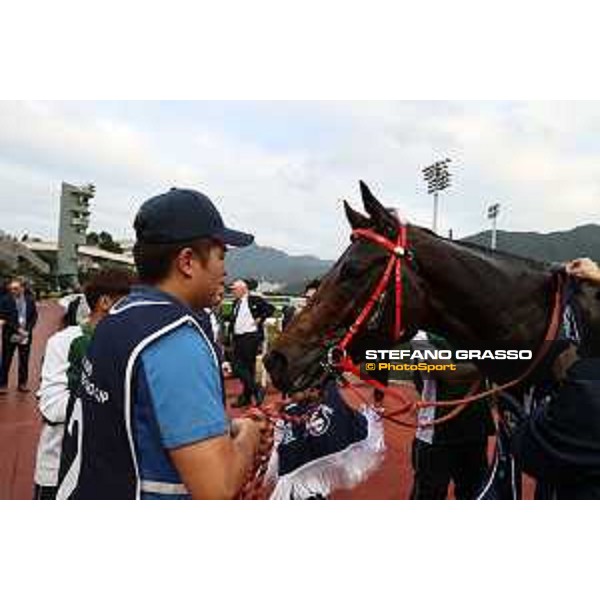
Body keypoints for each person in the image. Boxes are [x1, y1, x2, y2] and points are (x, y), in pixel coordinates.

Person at [57, 187, 265, 499]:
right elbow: (217, 489)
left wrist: (218, 432)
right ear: (188, 262)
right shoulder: (176, 341)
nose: (225, 271)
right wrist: (248, 436)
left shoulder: (115, 318)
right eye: (221, 256)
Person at [33, 269, 133, 499]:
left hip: (108, 471)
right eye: (128, 302)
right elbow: (52, 407)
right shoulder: (64, 341)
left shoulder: (131, 345)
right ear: (105, 302)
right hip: (58, 468)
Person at [512, 256, 600, 499]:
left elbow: (526, 449)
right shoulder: (428, 341)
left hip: (462, 432)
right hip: (452, 432)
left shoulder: (579, 390)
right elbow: (427, 372)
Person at [410, 331, 495, 500]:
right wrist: (493, 363)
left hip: (474, 431)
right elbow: (450, 373)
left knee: (474, 494)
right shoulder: (421, 338)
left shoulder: (478, 331)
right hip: (436, 435)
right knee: (429, 497)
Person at [229, 279, 275, 407]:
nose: (232, 291)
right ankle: (248, 396)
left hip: (250, 337)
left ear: (243, 289)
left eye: (234, 289)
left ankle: (255, 390)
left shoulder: (255, 300)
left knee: (238, 367)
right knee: (247, 369)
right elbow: (235, 320)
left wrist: (260, 318)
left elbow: (271, 309)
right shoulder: (235, 303)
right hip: (238, 338)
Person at [0, 277, 38, 394]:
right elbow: (3, 316)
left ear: (22, 288)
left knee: (24, 360)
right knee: (6, 360)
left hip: (25, 335)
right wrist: (17, 329)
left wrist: (28, 330)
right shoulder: (4, 300)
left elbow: (34, 317)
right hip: (10, 335)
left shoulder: (30, 300)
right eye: (11, 289)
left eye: (16, 288)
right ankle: (2, 384)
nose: (13, 291)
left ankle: (22, 384)